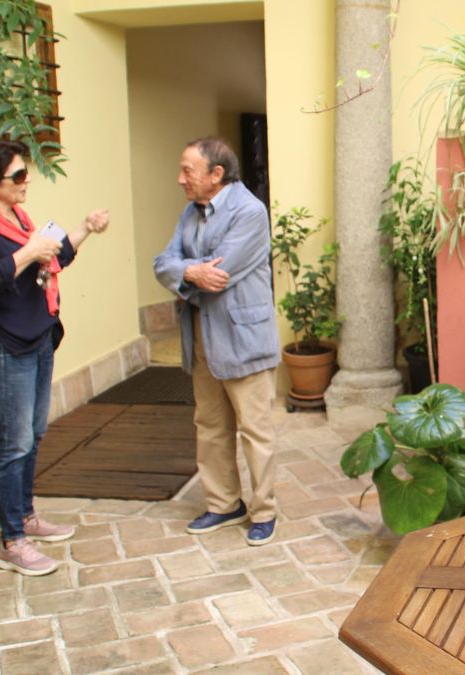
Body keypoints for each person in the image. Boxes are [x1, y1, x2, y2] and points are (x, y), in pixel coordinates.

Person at [0, 137, 109, 576]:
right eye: (17, 176)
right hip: (9, 341)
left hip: (38, 333)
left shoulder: (16, 216)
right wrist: (27, 252)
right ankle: (13, 542)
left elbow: (52, 256)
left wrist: (84, 228)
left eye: (25, 172)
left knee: (33, 434)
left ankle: (25, 516)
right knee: (12, 442)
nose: (26, 181)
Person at [154, 137, 280, 546]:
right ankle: (224, 504)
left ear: (216, 174)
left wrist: (182, 273)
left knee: (255, 429)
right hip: (202, 339)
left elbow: (221, 273)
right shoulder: (190, 213)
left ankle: (264, 511)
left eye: (187, 171)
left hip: (243, 339)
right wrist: (190, 273)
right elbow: (163, 264)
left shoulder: (250, 212)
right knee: (209, 426)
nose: (180, 179)